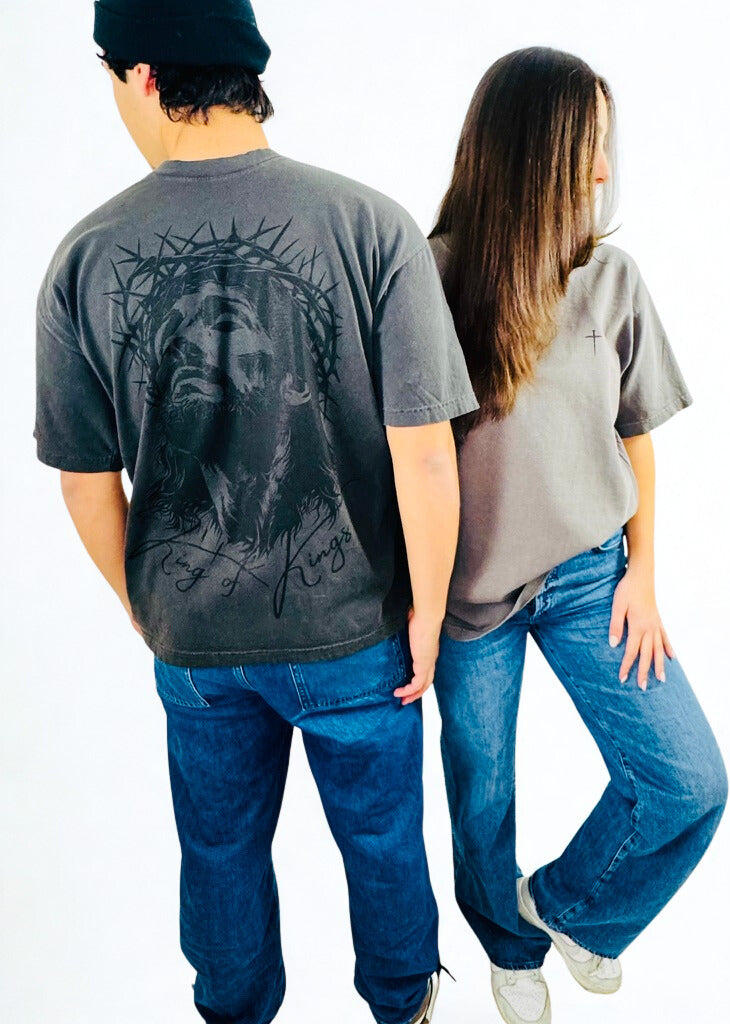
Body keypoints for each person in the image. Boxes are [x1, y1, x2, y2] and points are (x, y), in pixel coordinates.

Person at [33, 3, 479, 1022]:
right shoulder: (371, 224)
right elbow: (426, 453)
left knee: (219, 852)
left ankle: (234, 1009)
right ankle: (404, 1003)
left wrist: (144, 605)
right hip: (356, 629)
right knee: (382, 846)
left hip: (195, 641)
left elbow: (83, 479)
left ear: (143, 76)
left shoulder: (84, 255)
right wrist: (427, 613)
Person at [427, 47, 728, 1024]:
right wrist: (418, 605)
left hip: (594, 572)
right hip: (468, 603)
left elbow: (634, 432)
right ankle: (508, 950)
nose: (605, 167)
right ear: (538, 150)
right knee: (482, 802)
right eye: (590, 145)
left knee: (688, 780)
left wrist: (644, 570)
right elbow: (403, 461)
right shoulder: (431, 279)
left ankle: (568, 907)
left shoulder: (613, 279)